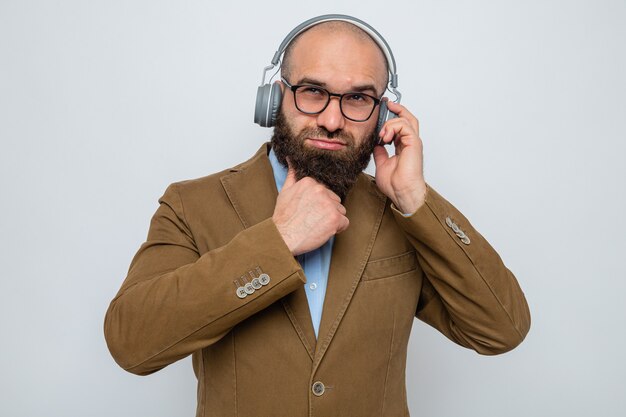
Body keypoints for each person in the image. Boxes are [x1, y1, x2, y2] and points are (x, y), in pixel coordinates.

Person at [104, 14, 530, 417]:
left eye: (358, 98)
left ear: (382, 114)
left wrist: (414, 197)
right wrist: (278, 241)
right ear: (273, 99)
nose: (331, 119)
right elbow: (132, 343)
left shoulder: (401, 214)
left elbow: (502, 329)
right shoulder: (191, 204)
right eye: (312, 91)